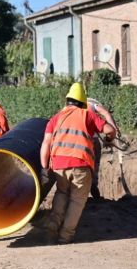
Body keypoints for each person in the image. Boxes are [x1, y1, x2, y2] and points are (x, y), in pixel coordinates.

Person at [40, 82, 116, 244]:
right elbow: (110, 130)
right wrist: (110, 139)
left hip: (59, 165)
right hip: (81, 164)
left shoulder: (56, 118)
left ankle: (52, 229)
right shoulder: (86, 114)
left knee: (61, 194)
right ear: (82, 103)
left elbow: (46, 144)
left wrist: (45, 166)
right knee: (77, 201)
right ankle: (65, 237)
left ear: (67, 101)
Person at [86, 97, 121, 201]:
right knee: (95, 163)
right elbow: (106, 113)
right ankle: (93, 182)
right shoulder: (91, 105)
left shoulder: (68, 108)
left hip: (72, 141)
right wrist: (113, 129)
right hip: (92, 139)